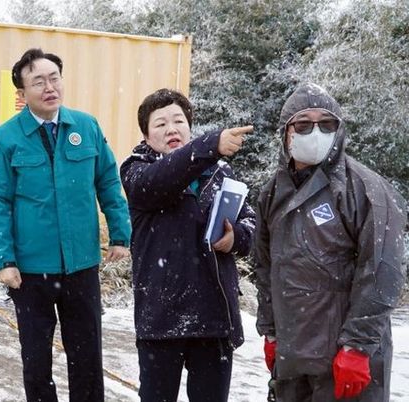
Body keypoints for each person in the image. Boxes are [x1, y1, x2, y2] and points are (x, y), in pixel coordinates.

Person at [0, 48, 132, 401]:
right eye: (38, 82)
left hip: (81, 264)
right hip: (30, 269)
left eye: (54, 78)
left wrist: (120, 233)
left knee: (87, 356)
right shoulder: (5, 138)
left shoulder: (86, 126)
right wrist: (4, 260)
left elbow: (108, 181)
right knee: (37, 359)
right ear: (22, 93)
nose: (49, 87)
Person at [254, 83, 407, 402]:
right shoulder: (272, 193)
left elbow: (382, 273)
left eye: (326, 124)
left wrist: (357, 347)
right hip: (293, 356)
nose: (316, 133)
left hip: (345, 358)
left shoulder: (365, 189)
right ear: (286, 132)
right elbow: (265, 269)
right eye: (303, 124)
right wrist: (270, 331)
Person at [119, 88, 255, 402]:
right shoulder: (137, 170)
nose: (172, 129)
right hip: (161, 318)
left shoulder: (220, 173)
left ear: (189, 128)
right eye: (161, 124)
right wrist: (209, 145)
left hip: (213, 316)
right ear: (146, 135)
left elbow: (250, 222)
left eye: (179, 121)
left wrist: (236, 237)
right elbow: (161, 181)